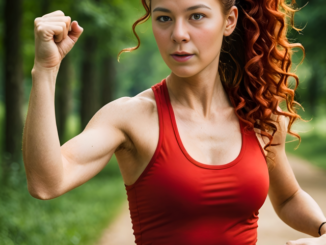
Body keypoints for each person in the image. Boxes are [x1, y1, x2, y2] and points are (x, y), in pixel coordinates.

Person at [22, 0, 326, 244]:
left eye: (196, 16)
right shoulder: (130, 117)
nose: (178, 33)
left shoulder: (259, 114)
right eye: (164, 18)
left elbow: (288, 198)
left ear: (229, 21)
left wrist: (323, 230)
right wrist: (45, 70)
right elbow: (46, 182)